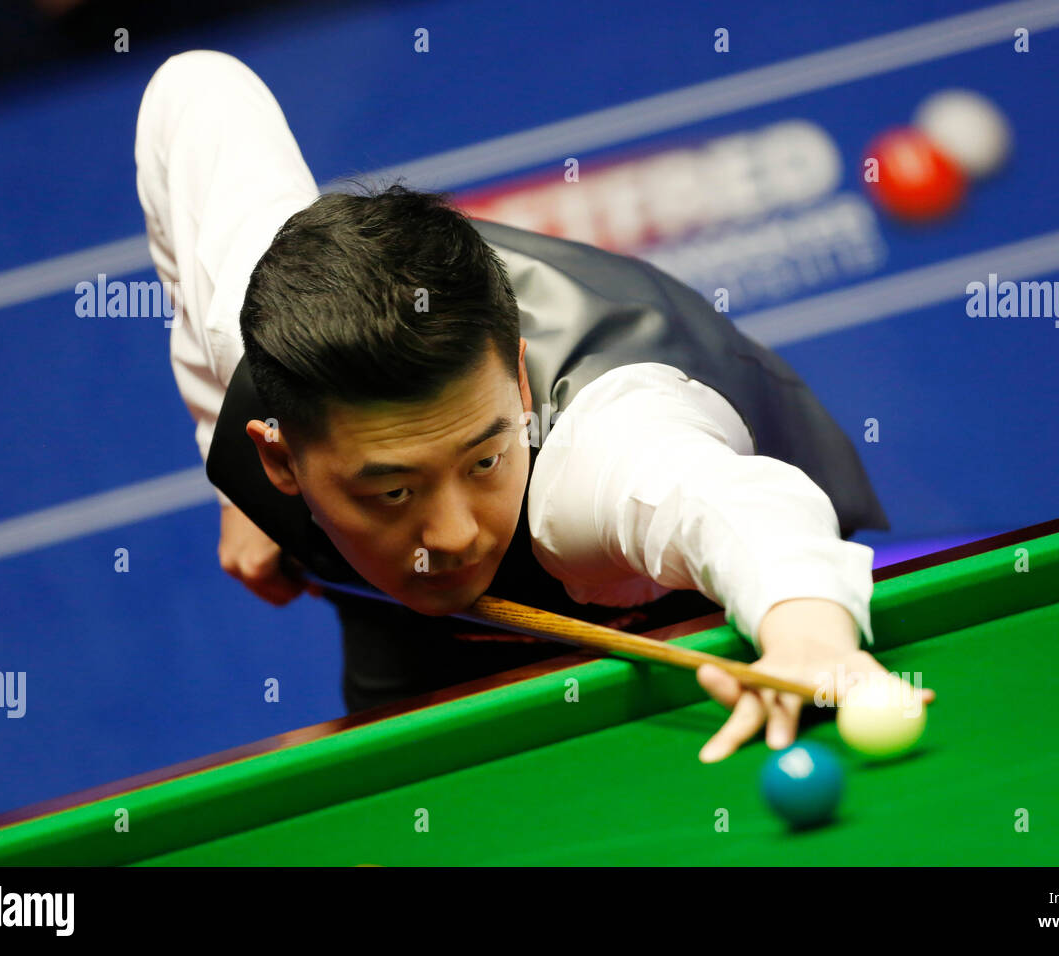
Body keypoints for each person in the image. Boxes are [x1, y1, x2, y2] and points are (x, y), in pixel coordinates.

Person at [136, 50, 918, 763]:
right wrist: (229, 472)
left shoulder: (602, 455)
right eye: (393, 491)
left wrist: (808, 634)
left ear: (517, 384)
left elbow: (727, 506)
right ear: (280, 455)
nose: (452, 536)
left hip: (671, 588)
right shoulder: (257, 325)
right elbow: (194, 90)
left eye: (483, 459)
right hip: (395, 609)